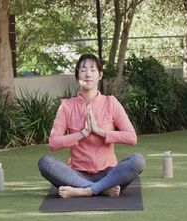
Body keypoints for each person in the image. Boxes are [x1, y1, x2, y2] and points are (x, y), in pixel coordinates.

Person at [38, 54, 145, 198]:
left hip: (110, 174)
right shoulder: (67, 106)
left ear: (100, 75)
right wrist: (83, 133)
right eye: (83, 70)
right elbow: (53, 143)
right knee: (45, 163)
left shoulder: (111, 102)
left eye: (93, 70)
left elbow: (132, 137)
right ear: (77, 76)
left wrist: (99, 131)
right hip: (77, 175)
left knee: (137, 160)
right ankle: (100, 189)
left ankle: (86, 191)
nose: (88, 74)